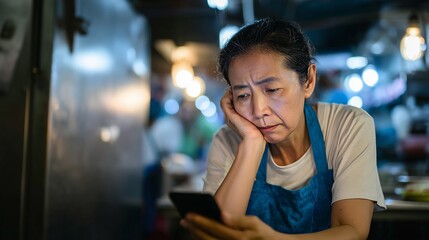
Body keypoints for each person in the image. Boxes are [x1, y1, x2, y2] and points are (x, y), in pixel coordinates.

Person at [179, 17, 386, 239]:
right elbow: (216, 233)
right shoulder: (227, 141)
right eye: (243, 95)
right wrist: (251, 144)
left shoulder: (347, 126)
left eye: (272, 89)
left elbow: (352, 230)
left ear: (308, 81)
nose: (258, 110)